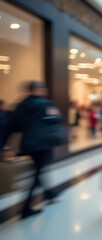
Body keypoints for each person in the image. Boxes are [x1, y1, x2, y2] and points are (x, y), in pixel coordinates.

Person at [1, 81, 63, 219]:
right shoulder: (45, 104)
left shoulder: (19, 105)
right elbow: (55, 119)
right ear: (38, 90)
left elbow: (10, 127)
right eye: (43, 89)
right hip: (41, 144)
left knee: (39, 169)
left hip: (27, 144)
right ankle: (25, 208)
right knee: (37, 173)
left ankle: (48, 193)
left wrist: (3, 147)